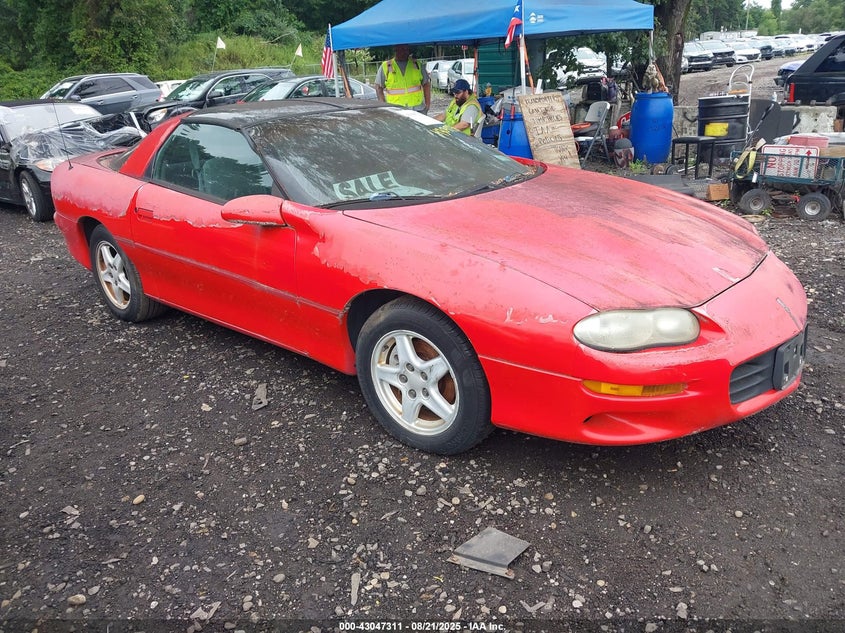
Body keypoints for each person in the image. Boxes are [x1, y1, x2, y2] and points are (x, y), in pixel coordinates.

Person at [374, 44, 431, 114]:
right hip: (395, 111)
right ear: (395, 50)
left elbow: (426, 84)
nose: (403, 52)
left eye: (405, 49)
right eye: (401, 49)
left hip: (417, 109)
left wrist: (427, 105)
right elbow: (378, 87)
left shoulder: (417, 64)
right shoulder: (386, 66)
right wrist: (383, 106)